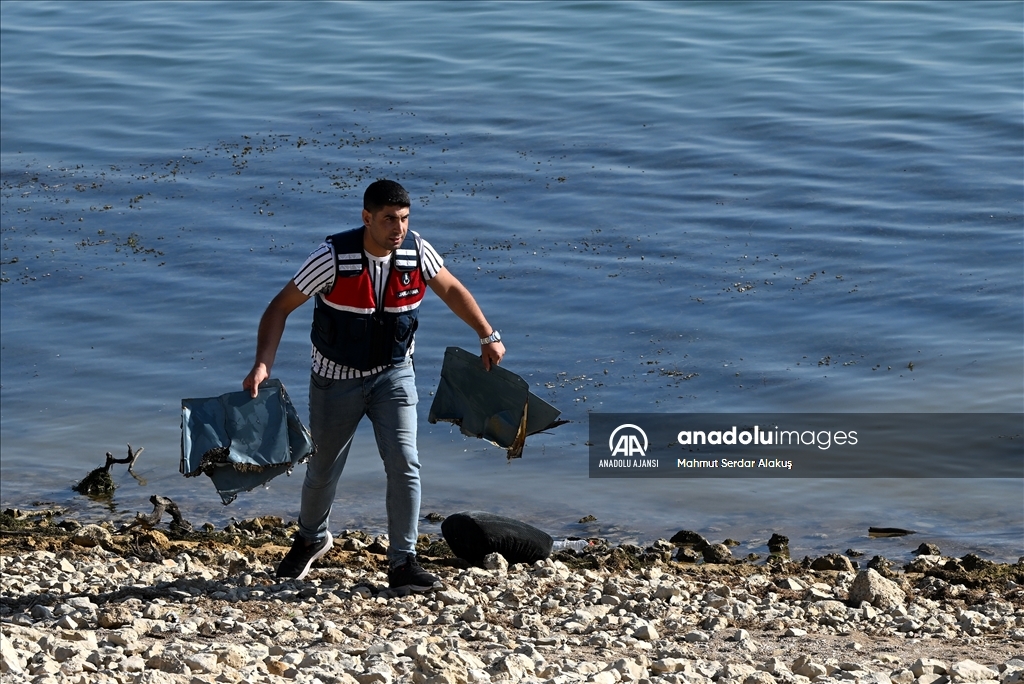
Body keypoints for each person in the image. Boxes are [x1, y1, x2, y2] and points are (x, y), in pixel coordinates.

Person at [242, 179, 505, 589]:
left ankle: (403, 561)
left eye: (403, 219)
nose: (397, 228)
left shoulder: (417, 251)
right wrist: (262, 364)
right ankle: (311, 537)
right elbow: (279, 308)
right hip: (335, 381)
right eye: (388, 220)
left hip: (393, 376)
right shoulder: (331, 257)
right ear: (367, 218)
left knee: (405, 462)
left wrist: (487, 334)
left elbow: (452, 289)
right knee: (323, 470)